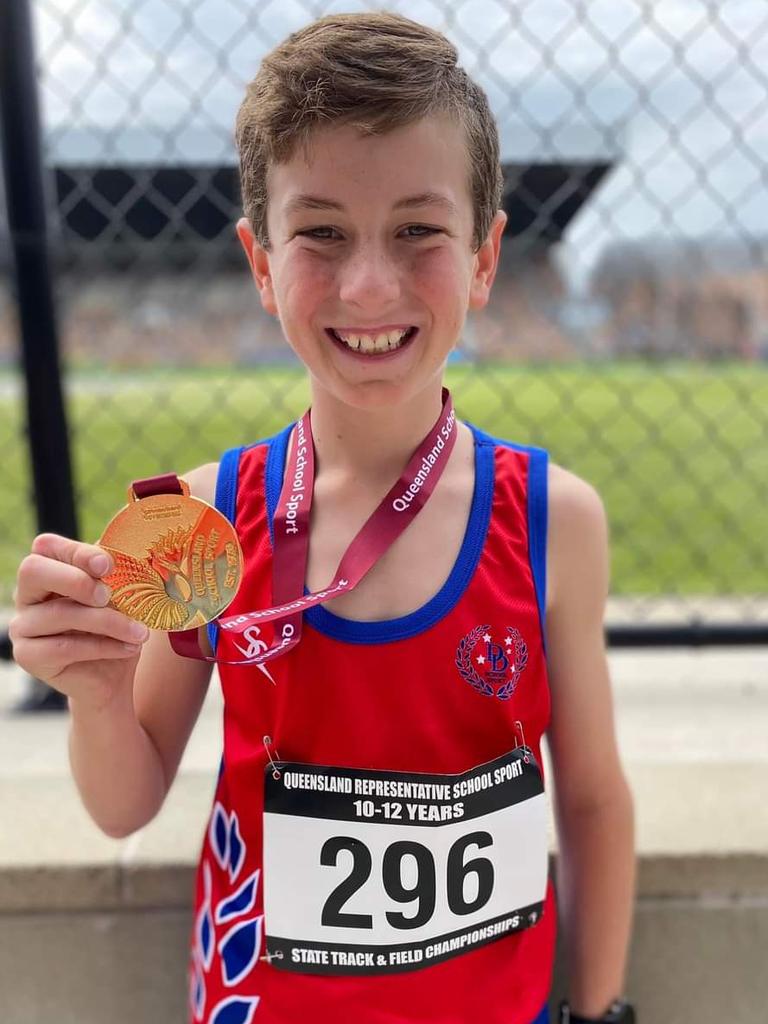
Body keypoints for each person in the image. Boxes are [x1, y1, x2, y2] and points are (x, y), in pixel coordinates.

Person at [9, 12, 636, 1024]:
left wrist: (603, 1011)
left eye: (420, 230)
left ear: (485, 256)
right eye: (322, 233)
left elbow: (594, 798)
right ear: (261, 263)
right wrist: (93, 687)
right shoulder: (206, 517)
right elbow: (125, 799)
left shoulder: (555, 519)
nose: (371, 283)